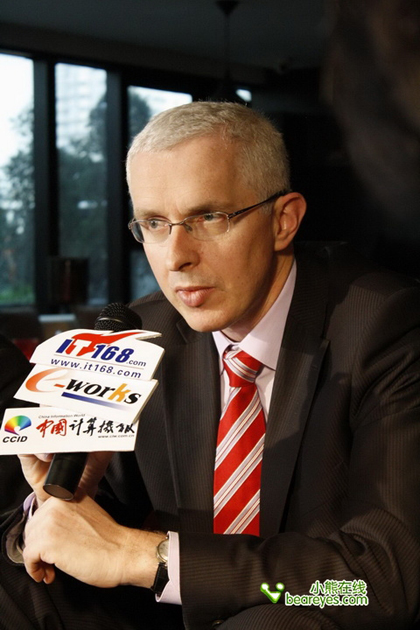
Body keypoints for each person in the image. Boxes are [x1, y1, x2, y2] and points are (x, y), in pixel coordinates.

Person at [1, 101, 420, 630]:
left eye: (208, 218)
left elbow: (380, 583)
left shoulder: (386, 327)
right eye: (155, 223)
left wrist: (148, 558)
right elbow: (81, 538)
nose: (176, 256)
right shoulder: (141, 338)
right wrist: (60, 499)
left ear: (283, 221)